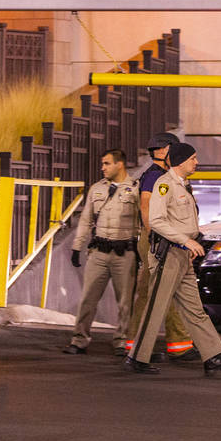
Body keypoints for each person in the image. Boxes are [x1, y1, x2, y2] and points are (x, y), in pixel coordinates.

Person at [125, 142, 221, 375]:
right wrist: (185, 240)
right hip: (169, 253)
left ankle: (213, 355)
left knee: (194, 308)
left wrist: (195, 238)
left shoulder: (184, 185)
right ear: (180, 161)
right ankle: (137, 357)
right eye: (193, 158)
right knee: (156, 307)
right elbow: (156, 221)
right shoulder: (164, 185)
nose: (196, 162)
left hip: (182, 255)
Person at [62, 149, 139, 356]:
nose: (102, 167)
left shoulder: (136, 189)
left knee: (125, 302)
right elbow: (86, 219)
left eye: (107, 163)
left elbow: (144, 222)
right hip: (99, 251)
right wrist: (77, 247)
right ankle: (79, 339)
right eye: (103, 164)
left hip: (125, 252)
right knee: (88, 298)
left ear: (119, 164)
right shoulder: (97, 189)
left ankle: (122, 341)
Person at [126, 132, 195, 361]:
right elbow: (147, 207)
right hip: (157, 239)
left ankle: (141, 343)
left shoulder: (160, 175)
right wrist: (156, 239)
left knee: (151, 291)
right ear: (165, 150)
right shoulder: (156, 176)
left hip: (160, 238)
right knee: (159, 291)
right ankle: (176, 344)